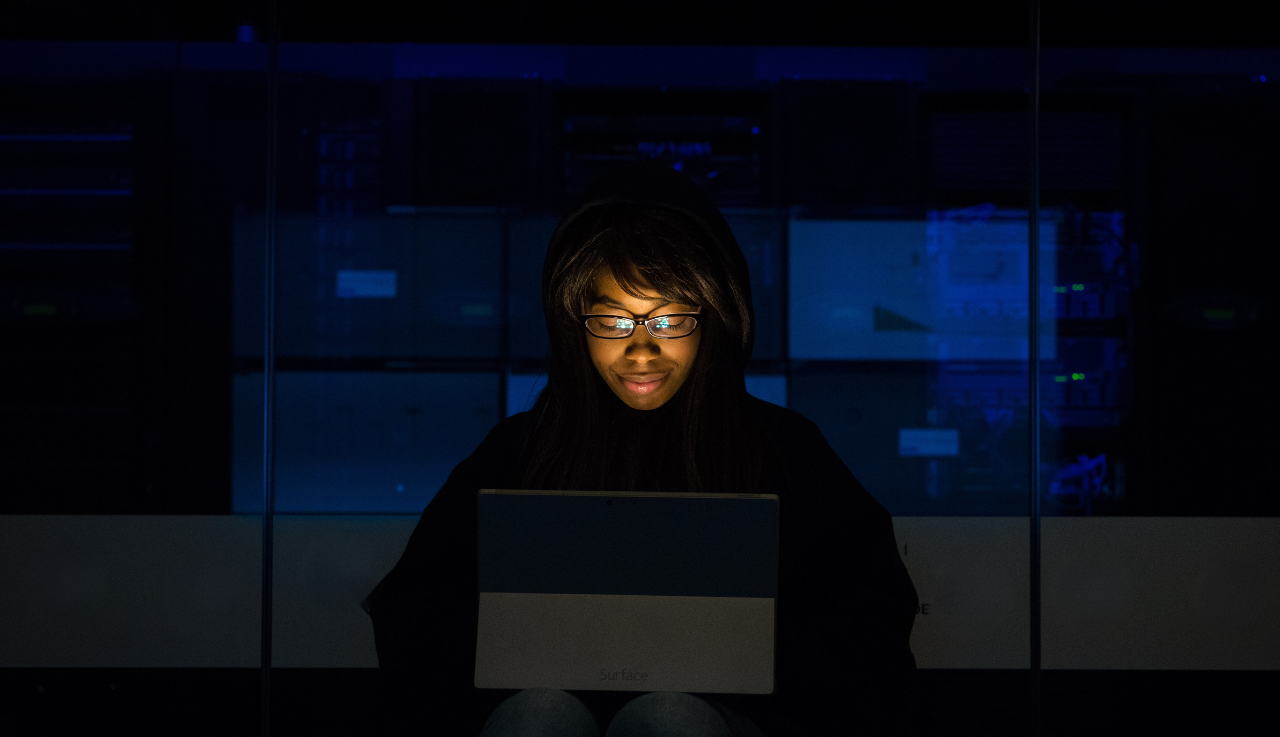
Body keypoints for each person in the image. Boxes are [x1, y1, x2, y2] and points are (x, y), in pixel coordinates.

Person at [365, 163, 919, 736]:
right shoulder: (521, 450)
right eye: (612, 321)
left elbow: (868, 622)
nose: (640, 351)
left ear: (715, 319)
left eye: (669, 319)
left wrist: (750, 656)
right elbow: (417, 612)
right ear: (574, 326)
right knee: (539, 715)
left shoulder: (783, 450)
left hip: (730, 717)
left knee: (669, 717)